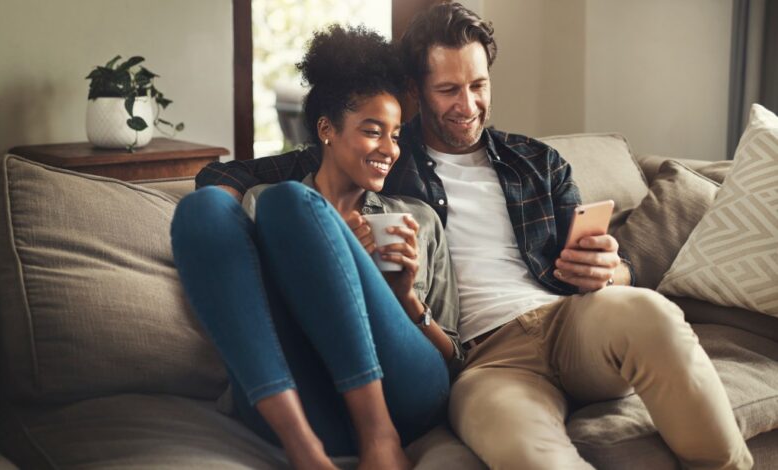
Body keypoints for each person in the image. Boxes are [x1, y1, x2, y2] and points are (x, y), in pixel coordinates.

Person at [196, 4, 752, 470]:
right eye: (448, 90)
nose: (468, 105)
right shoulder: (385, 152)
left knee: (649, 312)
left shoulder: (537, 161)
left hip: (570, 322)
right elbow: (228, 176)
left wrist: (615, 269)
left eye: (478, 85)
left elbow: (608, 258)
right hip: (482, 363)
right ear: (415, 91)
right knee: (527, 454)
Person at [172, 25, 462, 470]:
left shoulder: (417, 219)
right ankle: (305, 451)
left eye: (396, 134)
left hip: (404, 392)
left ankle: (379, 436)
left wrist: (402, 297)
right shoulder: (263, 205)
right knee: (204, 209)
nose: (390, 149)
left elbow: (453, 360)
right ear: (326, 129)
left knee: (291, 201)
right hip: (307, 401)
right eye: (373, 131)